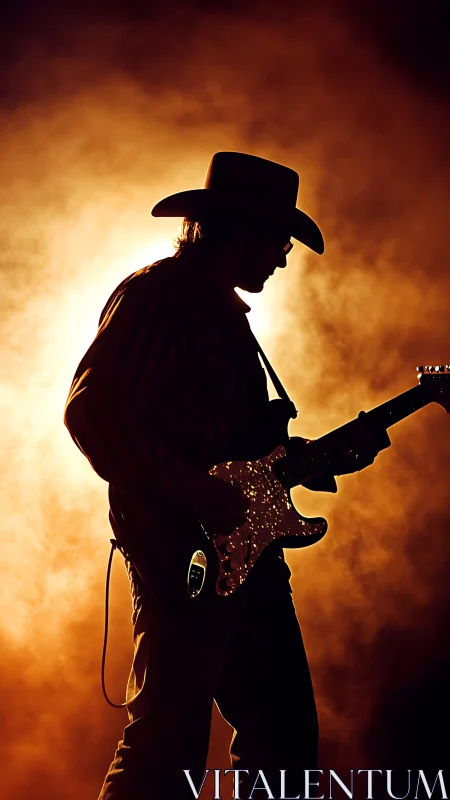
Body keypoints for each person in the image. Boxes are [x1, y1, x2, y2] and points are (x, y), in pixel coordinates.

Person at [64, 152, 389, 800]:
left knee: (282, 739)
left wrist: (311, 459)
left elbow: (236, 452)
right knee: (168, 746)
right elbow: (93, 413)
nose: (283, 258)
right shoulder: (159, 296)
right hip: (180, 546)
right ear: (233, 229)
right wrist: (198, 492)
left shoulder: (228, 320)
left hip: (246, 551)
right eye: (277, 240)